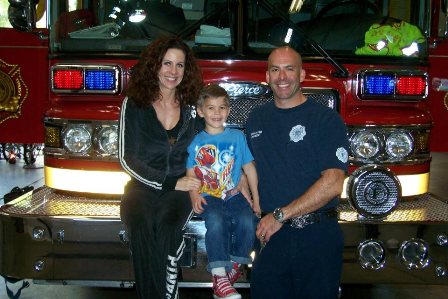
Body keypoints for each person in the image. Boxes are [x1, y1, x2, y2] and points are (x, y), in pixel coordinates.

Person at [246, 46, 349, 299]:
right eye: (275, 69)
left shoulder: (325, 119)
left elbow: (334, 182)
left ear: (302, 74)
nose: (282, 77)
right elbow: (249, 168)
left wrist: (282, 215)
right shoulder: (255, 119)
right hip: (270, 237)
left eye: (289, 69)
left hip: (317, 235)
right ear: (267, 76)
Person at [118, 36, 203, 299]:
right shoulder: (134, 104)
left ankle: (168, 291)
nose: (173, 72)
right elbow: (126, 157)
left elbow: (208, 148)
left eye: (180, 65)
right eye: (167, 63)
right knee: (140, 223)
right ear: (155, 65)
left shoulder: (193, 106)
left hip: (181, 187)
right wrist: (167, 181)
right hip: (142, 186)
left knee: (167, 227)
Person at [186, 84, 261, 299]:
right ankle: (219, 277)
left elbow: (249, 168)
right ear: (201, 111)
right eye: (211, 108)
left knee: (248, 220)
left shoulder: (237, 137)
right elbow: (190, 169)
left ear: (228, 110)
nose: (217, 113)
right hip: (208, 196)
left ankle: (235, 265)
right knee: (216, 221)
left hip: (234, 195)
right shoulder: (196, 140)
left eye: (221, 108)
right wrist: (194, 194)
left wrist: (256, 200)